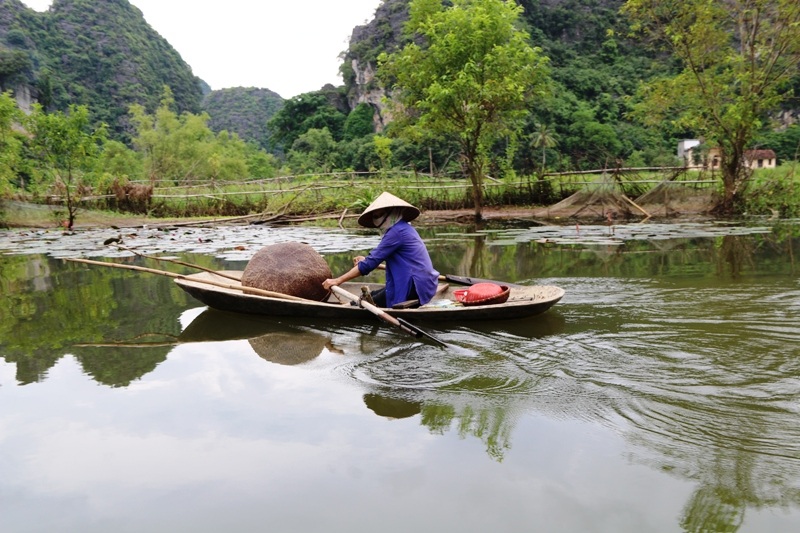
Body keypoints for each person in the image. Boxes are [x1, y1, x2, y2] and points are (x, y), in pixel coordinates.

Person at [322, 192, 440, 308]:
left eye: (380, 215)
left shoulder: (397, 232)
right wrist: (365, 260)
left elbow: (369, 264)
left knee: (364, 303)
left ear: (392, 212)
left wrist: (337, 280)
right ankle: (350, 306)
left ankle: (347, 308)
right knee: (371, 296)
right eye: (375, 216)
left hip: (415, 285)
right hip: (423, 282)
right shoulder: (403, 228)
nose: (377, 219)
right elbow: (376, 259)